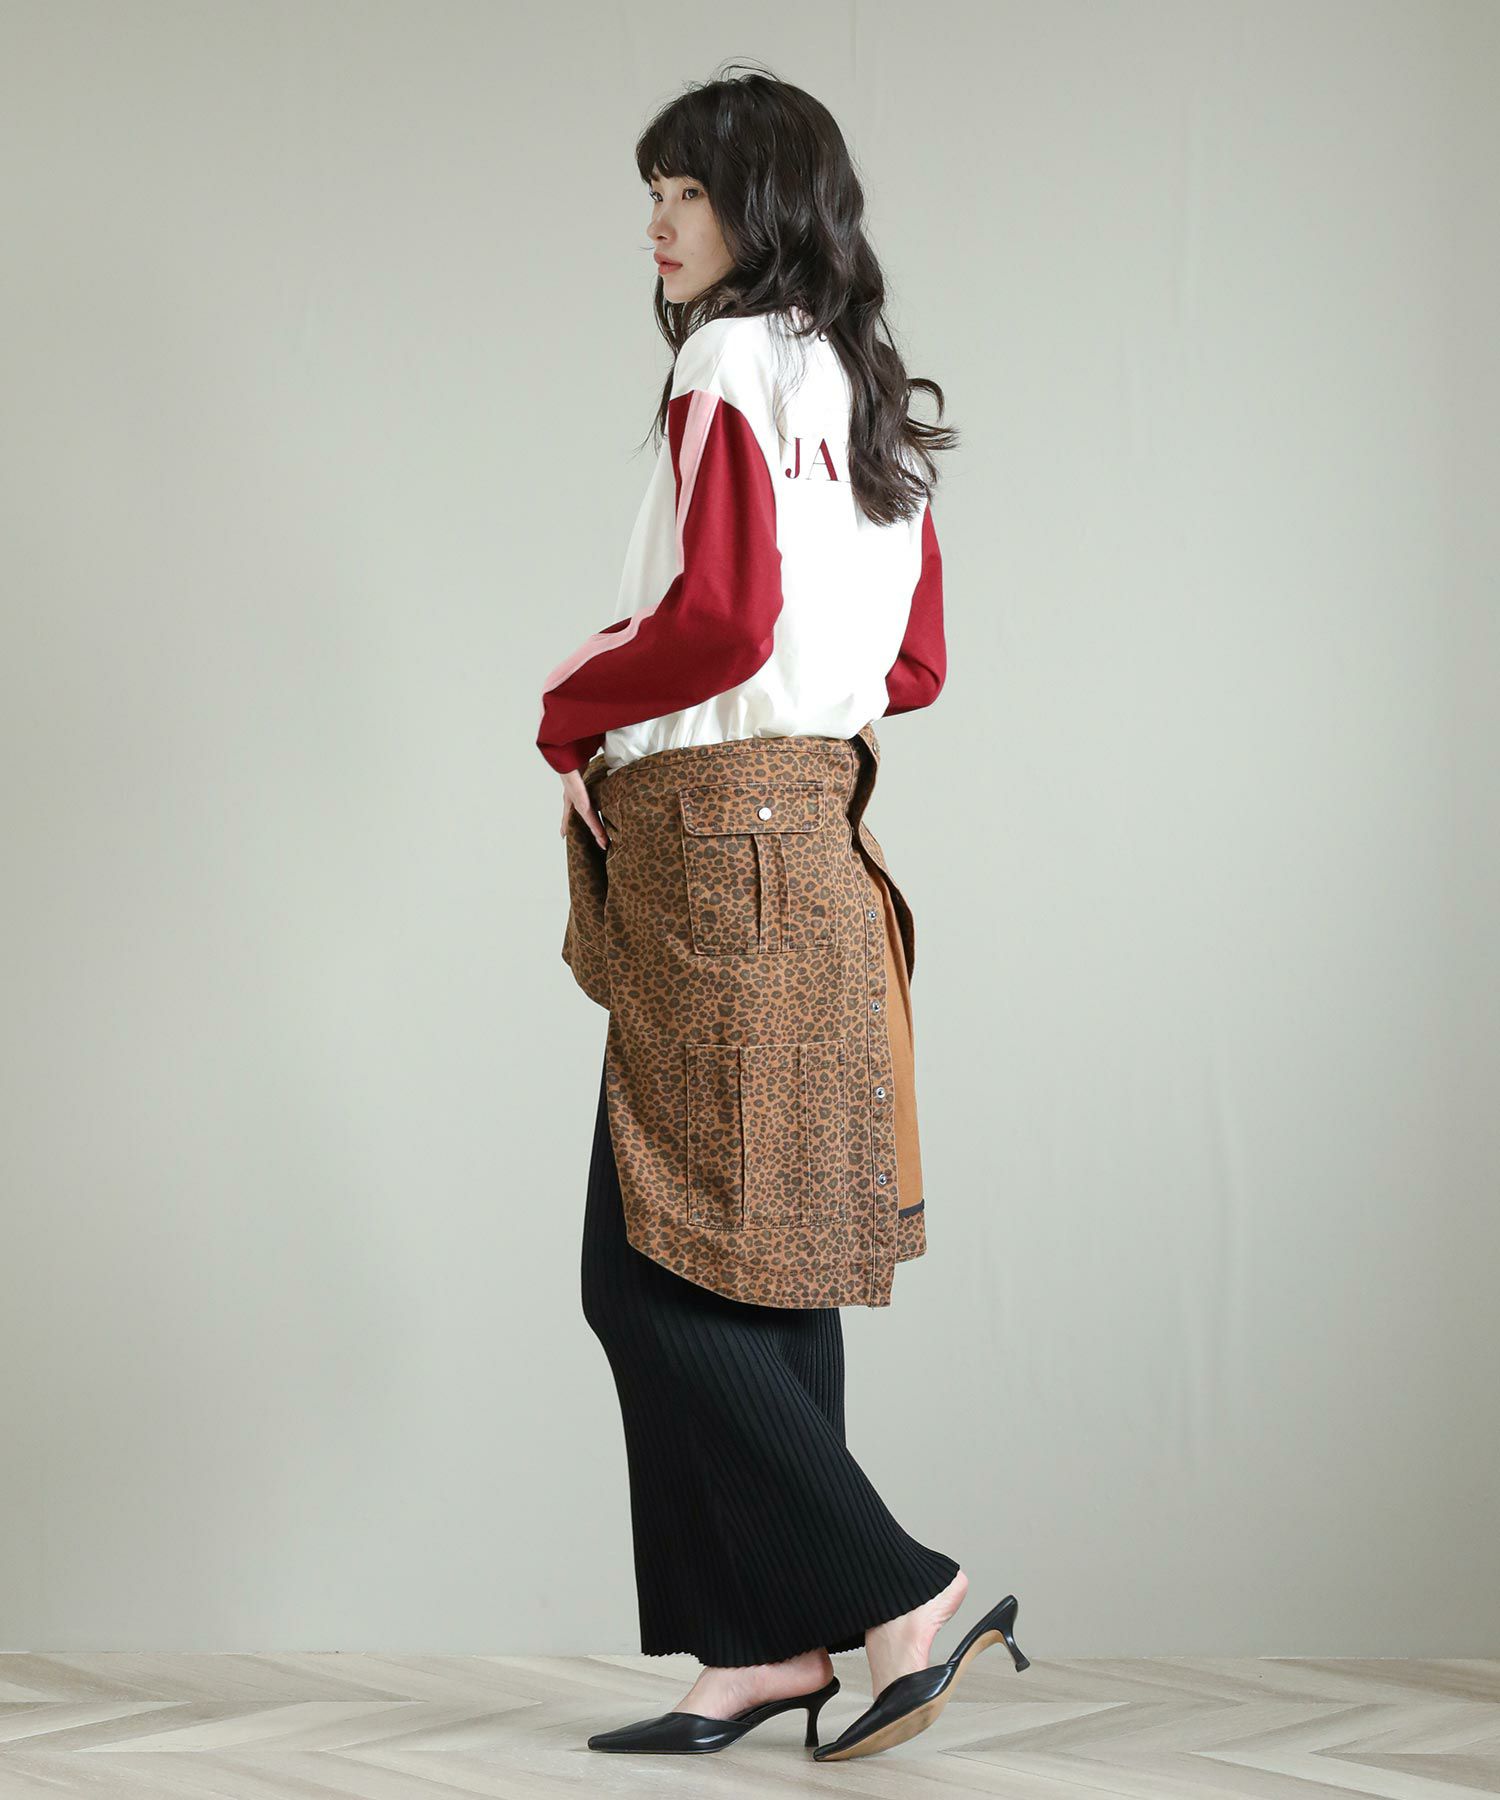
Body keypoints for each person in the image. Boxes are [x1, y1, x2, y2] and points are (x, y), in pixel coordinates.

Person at [536, 64, 1029, 1761]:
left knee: (647, 1274)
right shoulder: (871, 388)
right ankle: (760, 1650)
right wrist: (776, 736)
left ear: (758, 205)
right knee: (765, 1272)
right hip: (821, 843)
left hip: (715, 847)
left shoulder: (728, 361)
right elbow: (916, 663)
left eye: (682, 191)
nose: (655, 223)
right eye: (653, 191)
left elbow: (726, 617)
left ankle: (897, 1590)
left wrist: (572, 710)